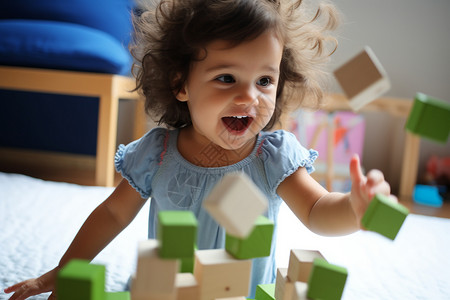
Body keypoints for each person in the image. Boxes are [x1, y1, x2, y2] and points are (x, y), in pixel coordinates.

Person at [4, 0, 394, 299]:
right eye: (227, 78)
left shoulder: (273, 156)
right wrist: (64, 269)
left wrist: (354, 210)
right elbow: (111, 213)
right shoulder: (157, 153)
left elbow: (316, 212)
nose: (250, 96)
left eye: (264, 80)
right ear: (181, 84)